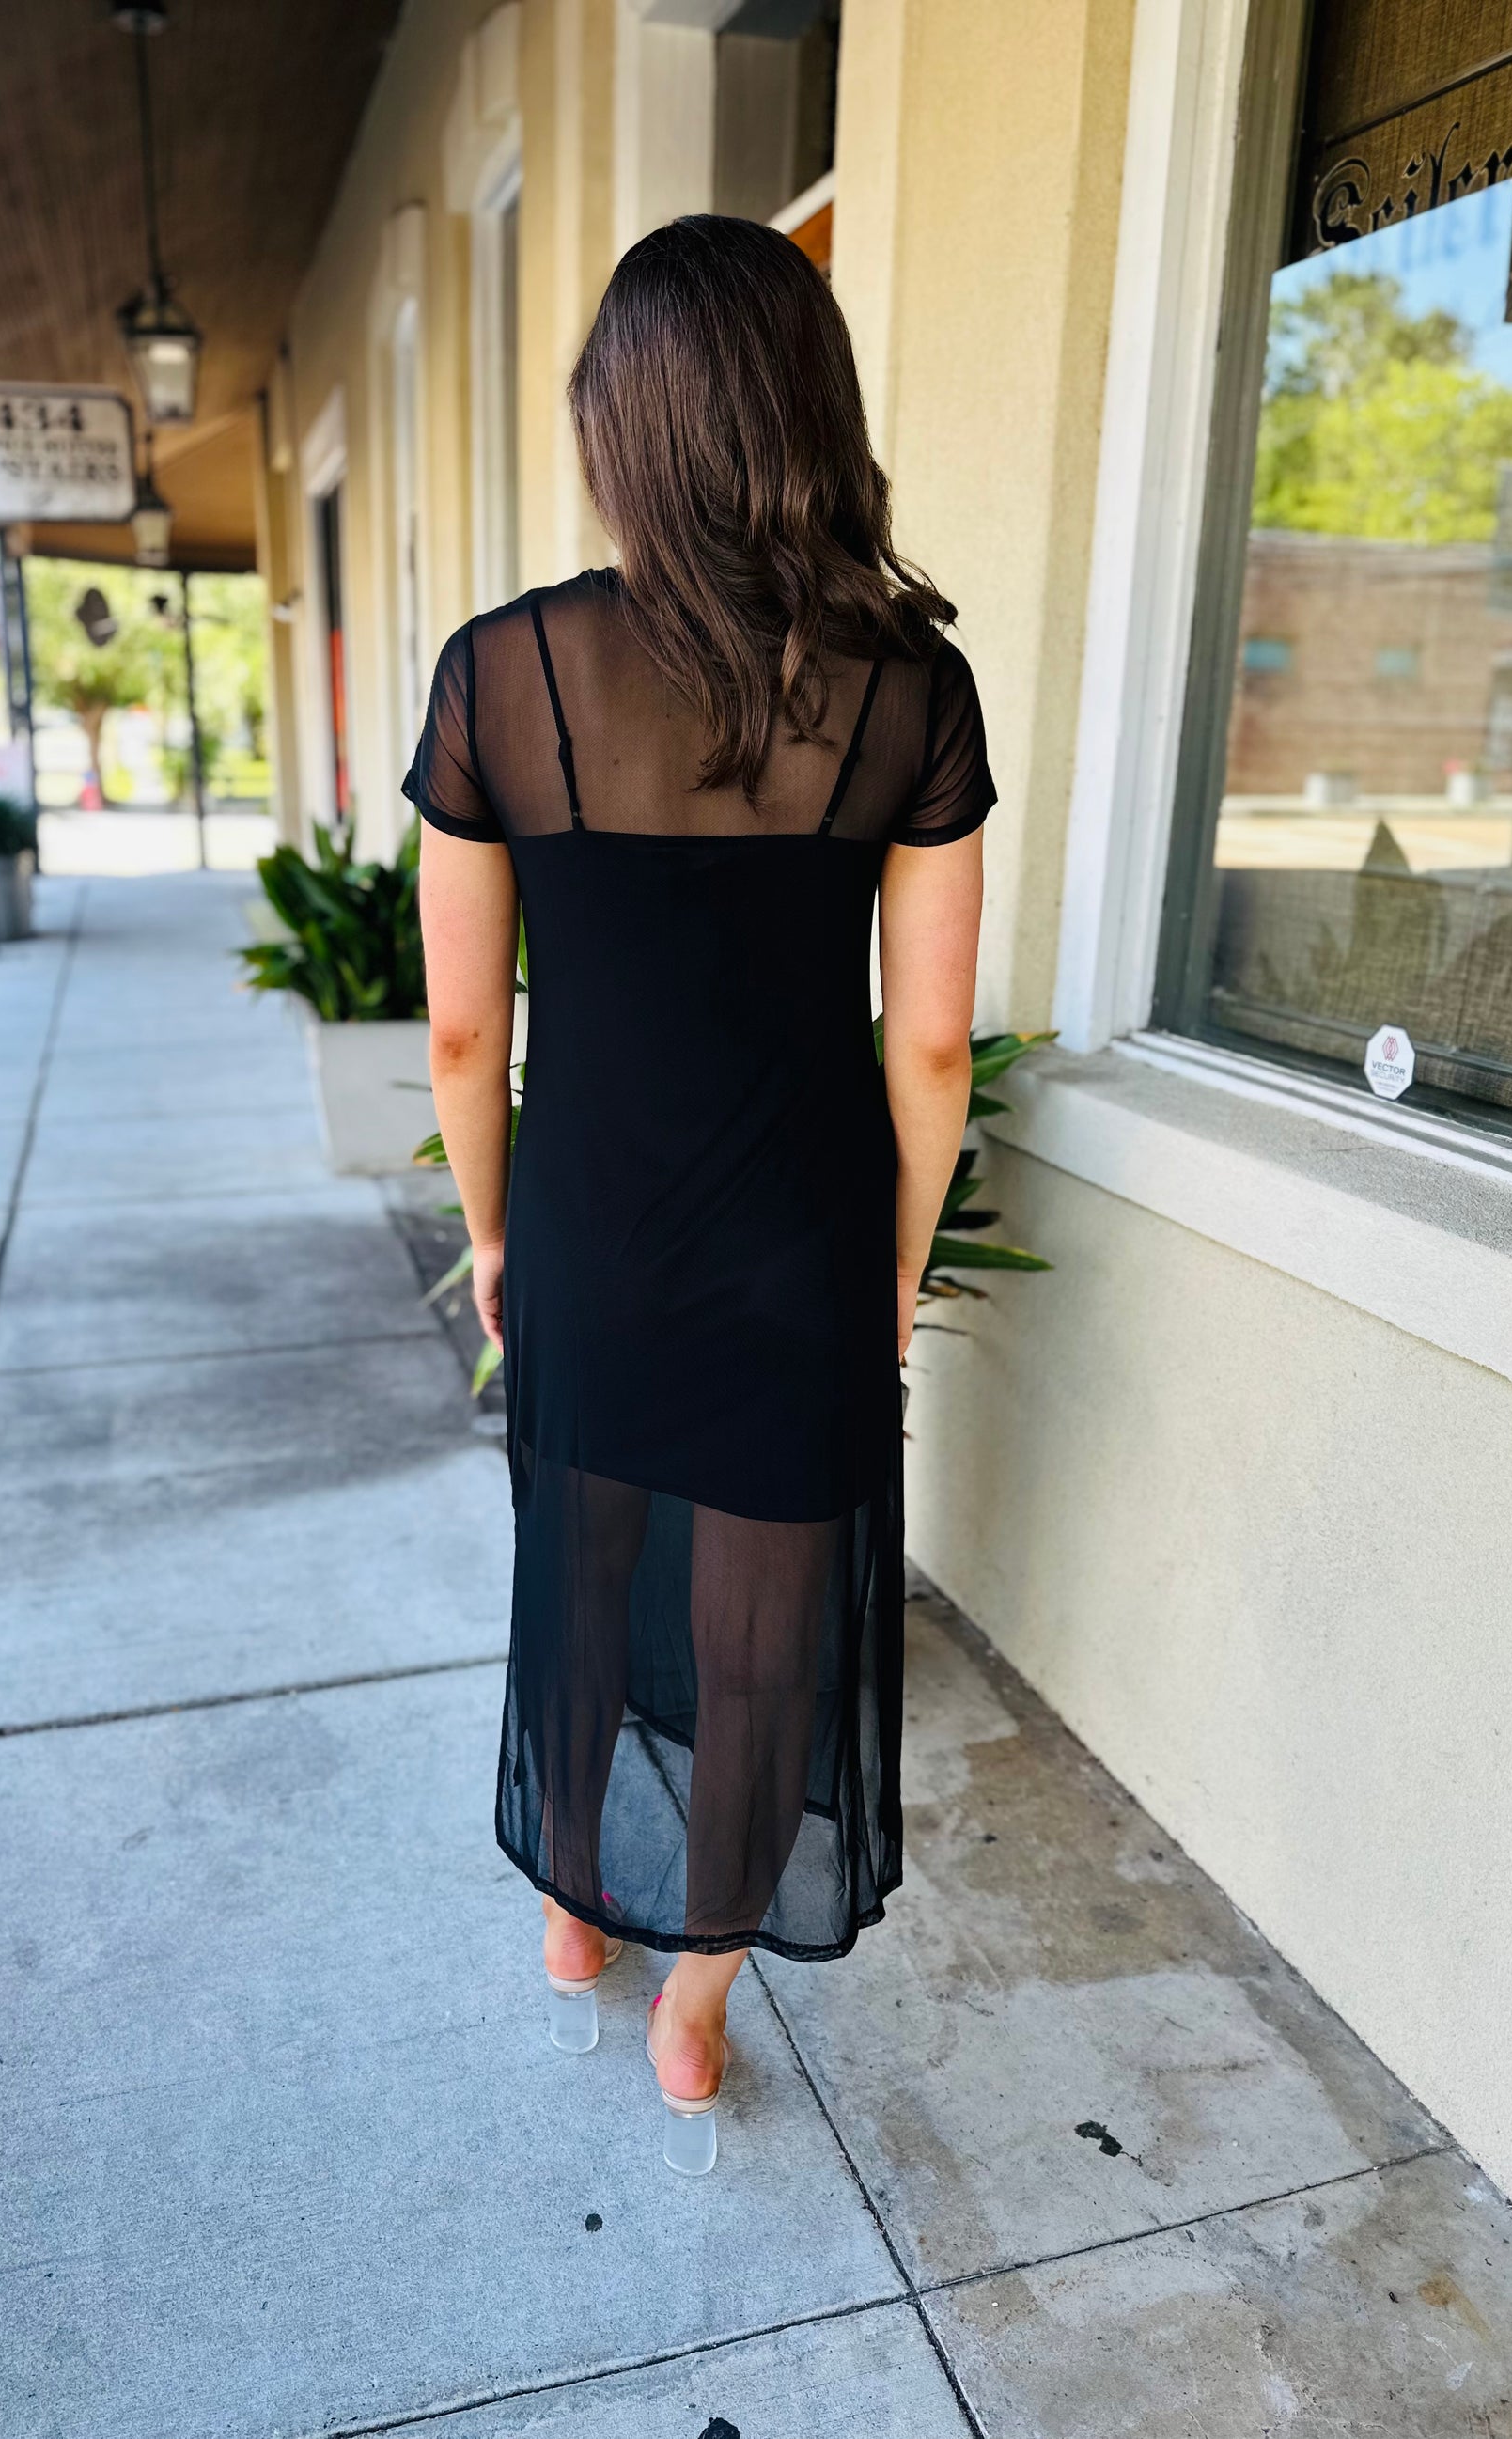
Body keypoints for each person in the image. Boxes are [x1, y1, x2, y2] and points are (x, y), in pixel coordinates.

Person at [409, 213, 990, 2174]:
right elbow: (929, 1050)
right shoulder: (910, 692)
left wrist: (495, 1234)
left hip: (591, 1228)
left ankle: (574, 1907)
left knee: (575, 1578)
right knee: (761, 1646)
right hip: (797, 1248)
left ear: (619, 427)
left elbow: (460, 1032)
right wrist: (891, 1263)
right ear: (810, 413)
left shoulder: (503, 674)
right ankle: (695, 2004)